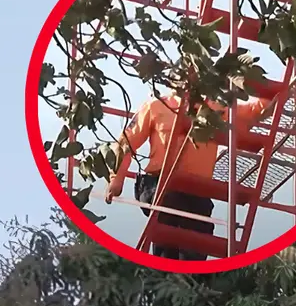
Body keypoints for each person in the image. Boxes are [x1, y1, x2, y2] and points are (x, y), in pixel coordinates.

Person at [104, 91, 273, 261]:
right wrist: (116, 180)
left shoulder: (215, 110)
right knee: (168, 224)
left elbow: (253, 111)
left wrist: (275, 93)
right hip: (159, 184)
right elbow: (125, 143)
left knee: (196, 245)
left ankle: (187, 279)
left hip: (197, 193)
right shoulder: (156, 105)